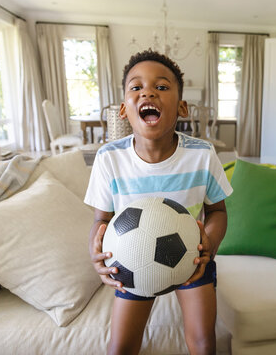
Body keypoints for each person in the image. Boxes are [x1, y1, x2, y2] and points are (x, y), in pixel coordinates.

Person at [84, 49, 233, 355]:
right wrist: (95, 253)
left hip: (191, 258)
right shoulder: (109, 158)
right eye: (135, 87)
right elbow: (101, 220)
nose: (147, 92)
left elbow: (217, 210)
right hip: (132, 261)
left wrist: (209, 246)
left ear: (181, 107)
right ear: (124, 109)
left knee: (205, 344)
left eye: (161, 87)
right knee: (120, 347)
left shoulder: (201, 154)